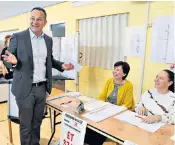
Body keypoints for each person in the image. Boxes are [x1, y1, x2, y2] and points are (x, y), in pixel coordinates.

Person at [2, 7, 74, 145]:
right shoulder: (18, 37)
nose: (35, 22)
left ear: (45, 22)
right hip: (25, 89)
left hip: (42, 88)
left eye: (39, 19)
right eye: (32, 18)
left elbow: (50, 60)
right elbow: (7, 58)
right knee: (26, 126)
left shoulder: (48, 40)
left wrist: (61, 65)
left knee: (37, 124)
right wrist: (14, 62)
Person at [84, 61, 134, 145]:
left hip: (118, 114)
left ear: (124, 74)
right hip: (106, 111)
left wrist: (112, 112)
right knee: (88, 126)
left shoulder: (128, 85)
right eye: (114, 69)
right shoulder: (109, 81)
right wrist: (101, 108)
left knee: (100, 132)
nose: (114, 71)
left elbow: (127, 105)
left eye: (117, 70)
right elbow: (101, 97)